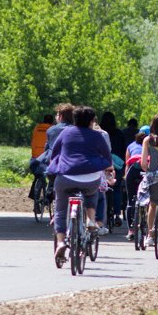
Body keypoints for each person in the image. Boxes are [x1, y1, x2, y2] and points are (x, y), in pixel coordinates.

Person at [47, 106, 112, 265]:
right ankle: (91, 220)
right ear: (92, 121)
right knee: (91, 194)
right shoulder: (97, 136)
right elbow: (107, 157)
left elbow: (54, 153)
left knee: (61, 210)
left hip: (66, 176)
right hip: (90, 178)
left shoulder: (66, 133)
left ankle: (61, 242)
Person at [138, 116, 158, 247]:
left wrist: (149, 170)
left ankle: (150, 235)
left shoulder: (147, 140)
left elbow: (143, 163)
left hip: (153, 176)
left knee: (153, 203)